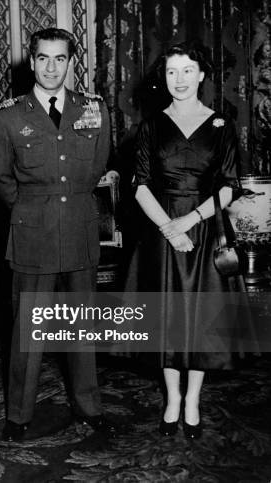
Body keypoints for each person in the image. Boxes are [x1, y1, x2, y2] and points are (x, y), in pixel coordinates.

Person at [0, 28, 117, 441]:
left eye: (60, 59)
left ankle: (89, 406)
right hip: (33, 233)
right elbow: (0, 177)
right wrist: (30, 210)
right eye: (43, 58)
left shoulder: (94, 109)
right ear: (32, 61)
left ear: (70, 62)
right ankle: (19, 415)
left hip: (79, 228)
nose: (51, 67)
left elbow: (96, 166)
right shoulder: (7, 115)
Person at [125, 42, 241, 439]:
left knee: (199, 320)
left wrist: (189, 221)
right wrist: (168, 229)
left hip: (205, 229)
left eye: (187, 70)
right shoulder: (151, 126)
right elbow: (139, 186)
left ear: (202, 75)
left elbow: (228, 188)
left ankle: (192, 399)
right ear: (164, 77)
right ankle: (172, 398)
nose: (179, 79)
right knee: (168, 319)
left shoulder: (222, 125)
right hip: (161, 232)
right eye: (172, 72)